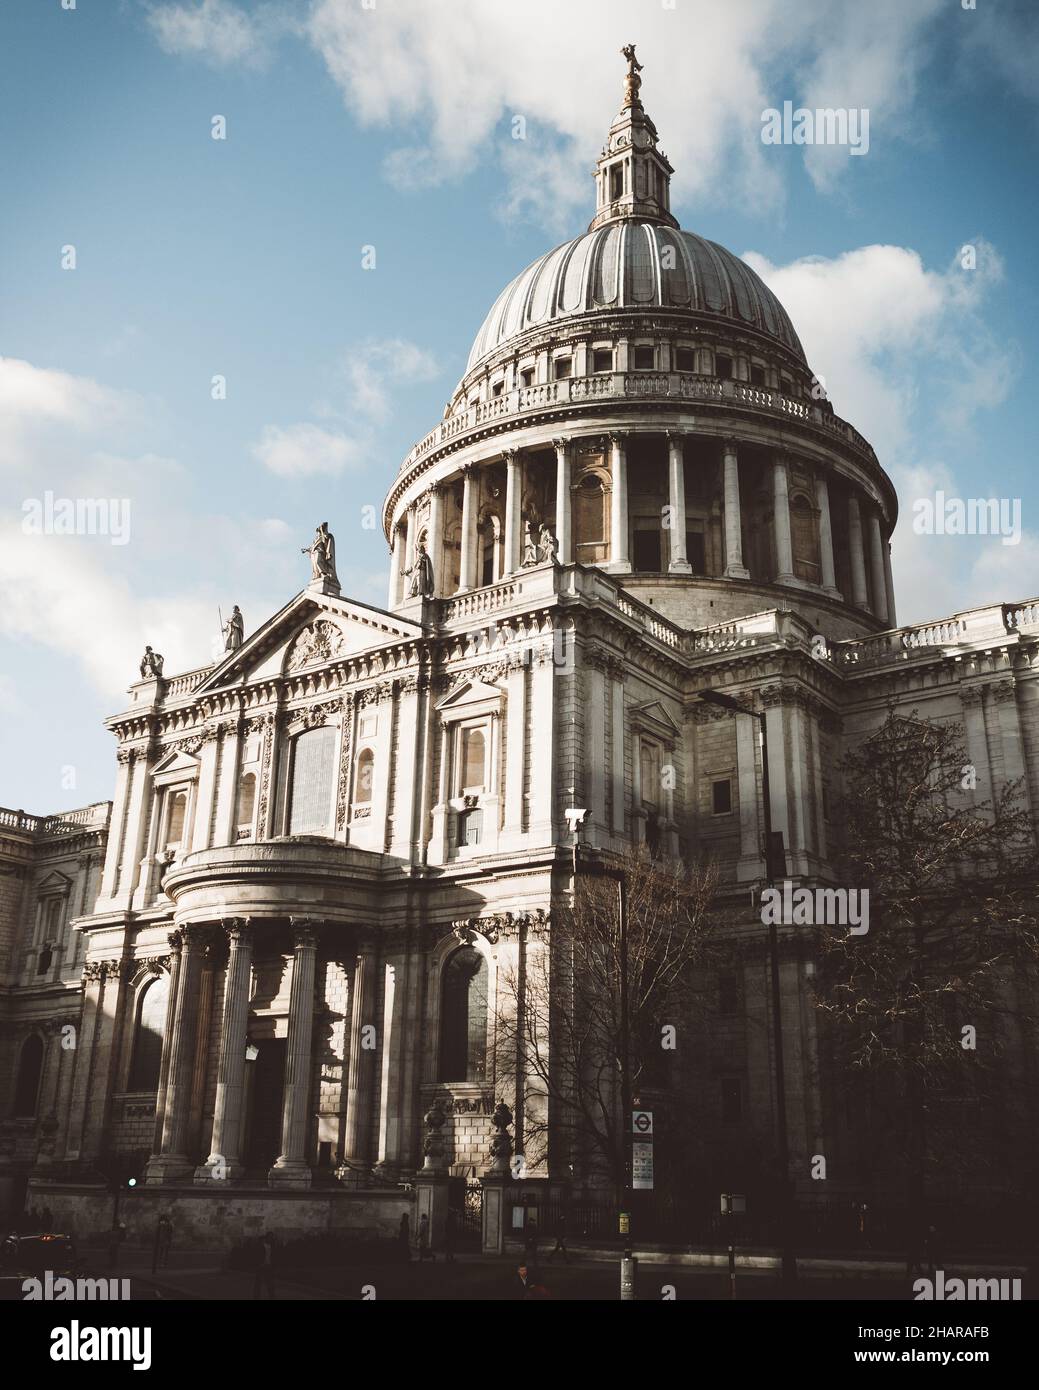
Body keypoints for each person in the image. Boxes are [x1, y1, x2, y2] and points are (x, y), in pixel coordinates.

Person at [252, 1231, 276, 1299]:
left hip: (269, 1266)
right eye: (270, 1237)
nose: (271, 1238)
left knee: (270, 1283)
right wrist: (258, 1264)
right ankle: (256, 1297)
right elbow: (256, 1255)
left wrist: (273, 1264)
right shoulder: (261, 1245)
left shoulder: (272, 1245)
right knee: (258, 1282)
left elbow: (273, 1256)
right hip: (261, 1266)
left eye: (272, 1237)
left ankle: (272, 1296)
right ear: (267, 1237)